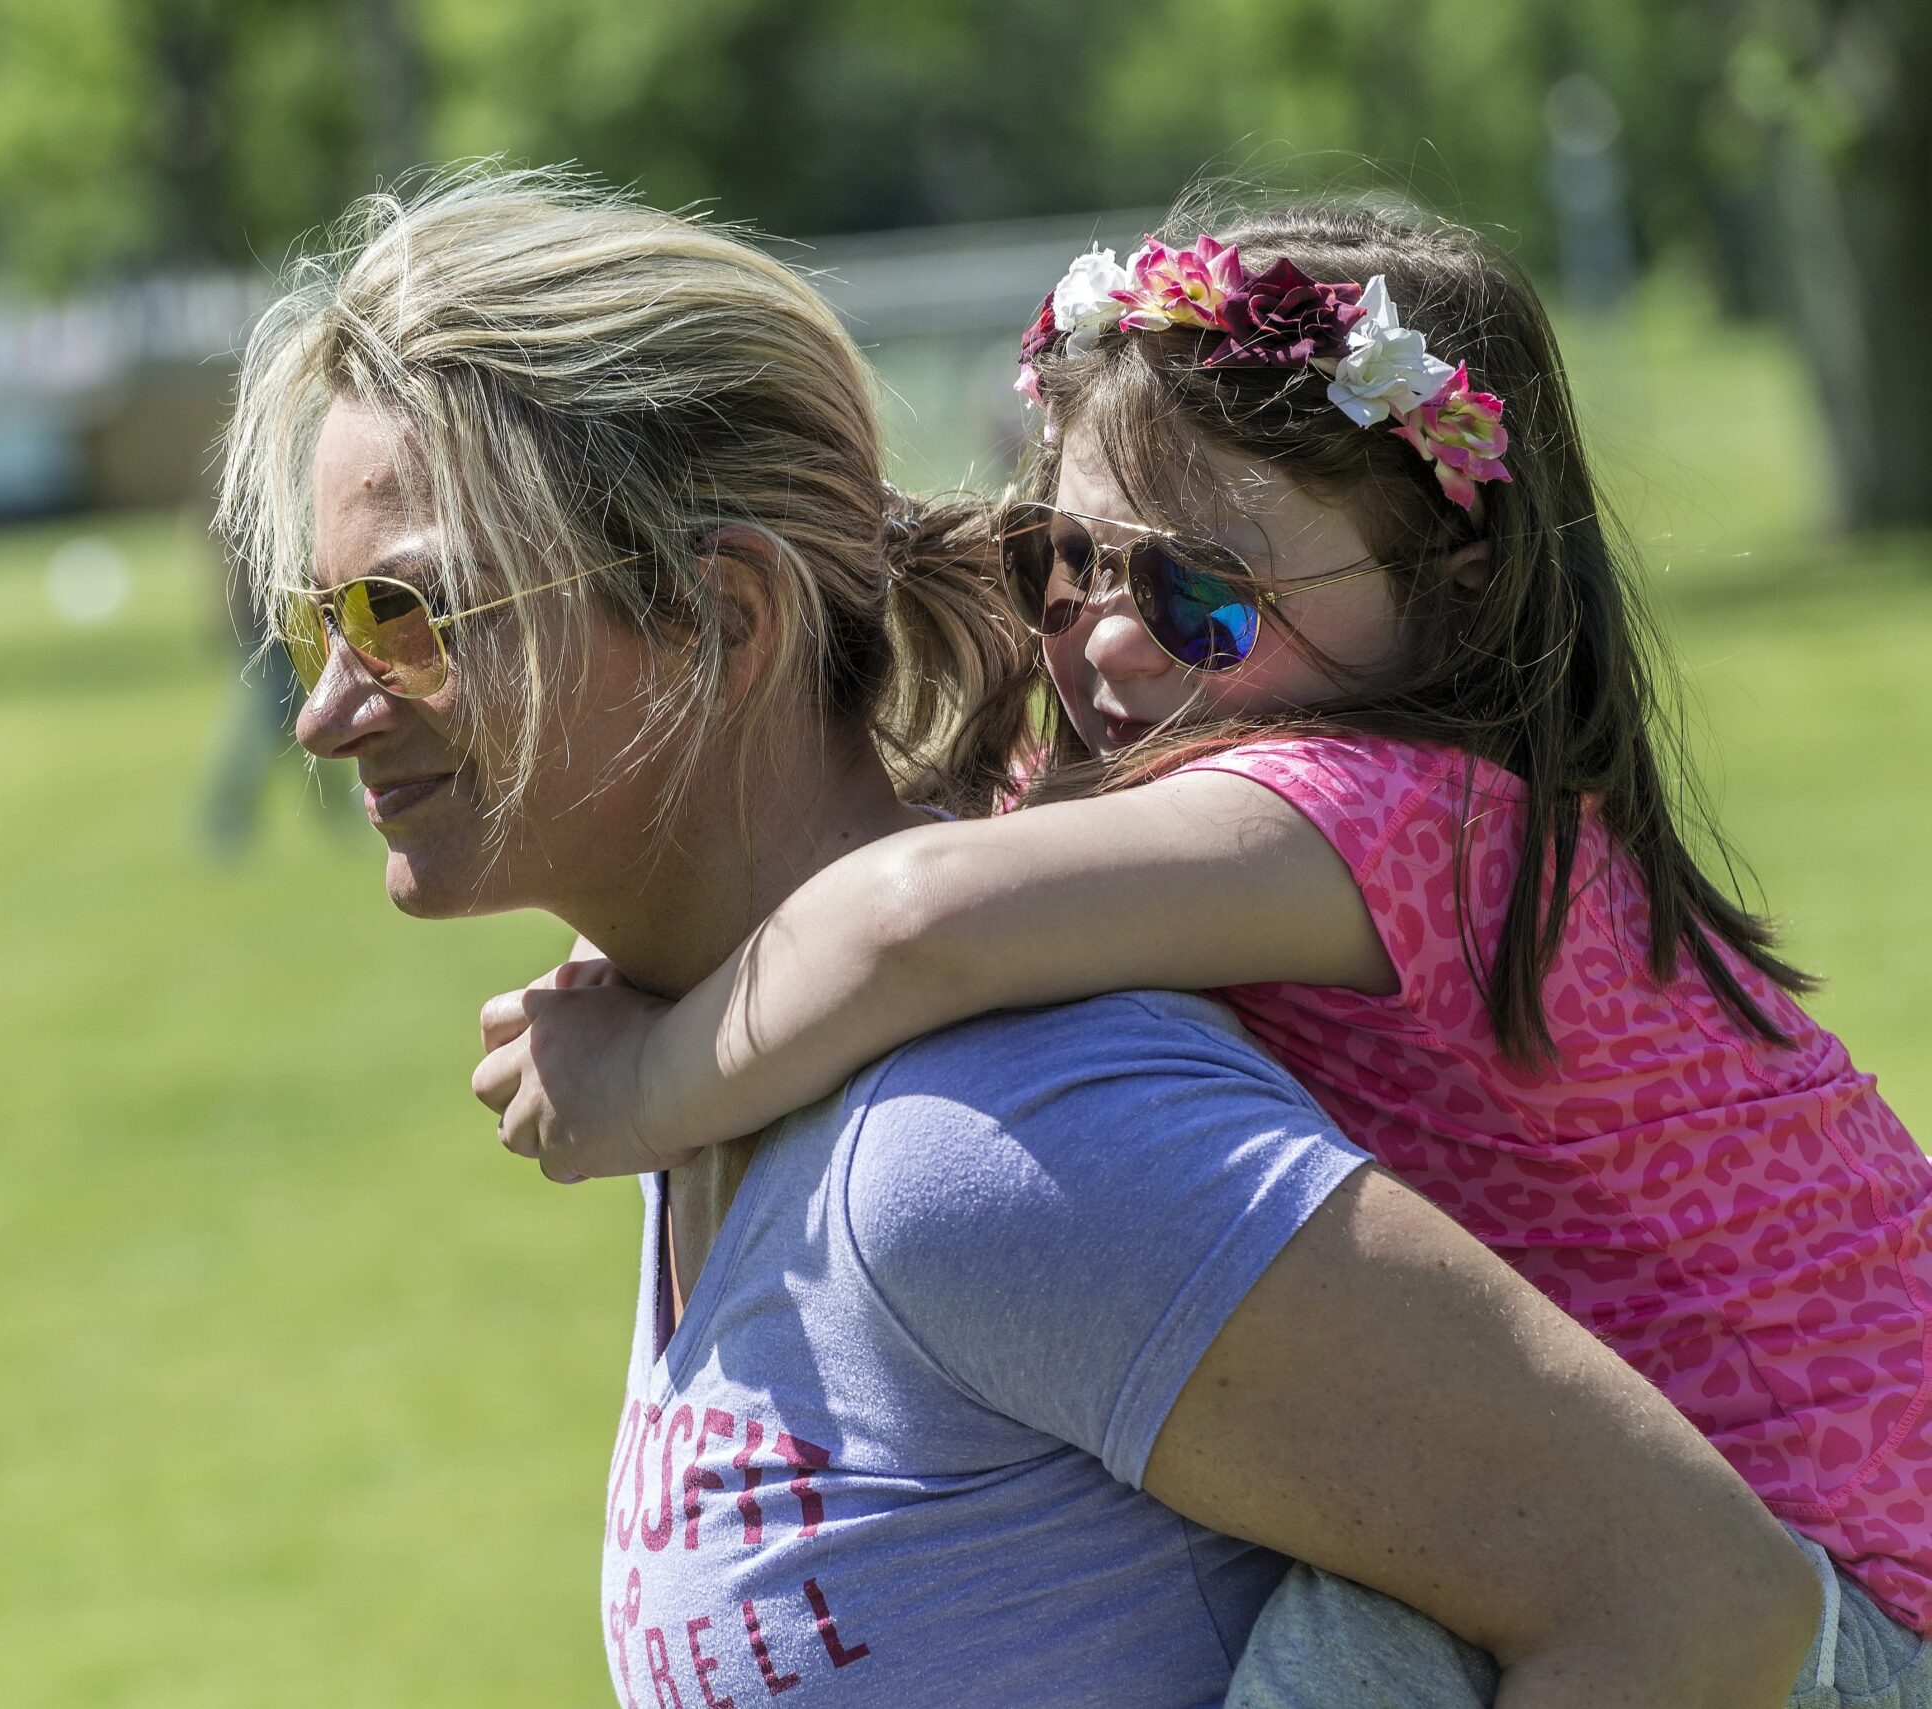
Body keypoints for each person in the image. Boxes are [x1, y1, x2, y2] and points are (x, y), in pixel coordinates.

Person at [217, 168, 1832, 1707]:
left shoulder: (997, 1134)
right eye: (319, 619)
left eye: (411, 614)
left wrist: (646, 1072)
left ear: (730, 615)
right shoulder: (756, 1067)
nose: (331, 709)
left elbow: (1695, 1599)